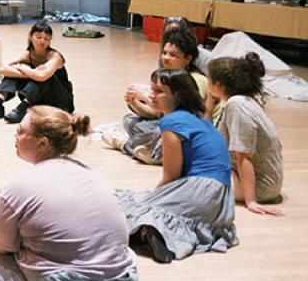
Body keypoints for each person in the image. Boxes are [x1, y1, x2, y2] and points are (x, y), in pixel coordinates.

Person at [0, 106, 139, 281]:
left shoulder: (17, 187)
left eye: (22, 131)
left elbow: (1, 246)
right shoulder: (96, 176)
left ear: (43, 143)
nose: (15, 133)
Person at [114, 70, 237, 263]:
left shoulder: (172, 122)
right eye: (152, 89)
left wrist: (153, 197)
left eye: (159, 91)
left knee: (128, 204)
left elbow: (171, 175)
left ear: (177, 95)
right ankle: (151, 231)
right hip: (221, 199)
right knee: (140, 203)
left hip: (200, 188)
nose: (152, 95)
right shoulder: (198, 119)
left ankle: (150, 229)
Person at [107, 27, 206, 164]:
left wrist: (146, 97)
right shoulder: (166, 76)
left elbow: (175, 116)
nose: (166, 58)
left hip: (185, 129)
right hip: (168, 122)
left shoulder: (193, 80)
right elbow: (157, 114)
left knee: (158, 132)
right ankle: (146, 146)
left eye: (173, 55)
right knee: (130, 120)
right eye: (164, 53)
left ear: (188, 59)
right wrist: (134, 102)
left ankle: (131, 145)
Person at [208, 53, 284, 215]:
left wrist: (251, 201)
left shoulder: (237, 105)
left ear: (219, 84)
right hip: (246, 176)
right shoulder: (244, 100)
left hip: (259, 186)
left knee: (192, 178)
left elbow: (244, 154)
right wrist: (209, 106)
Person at [0, 21, 74, 124]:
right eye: (39, 37)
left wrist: (25, 69)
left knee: (46, 77)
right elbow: (3, 69)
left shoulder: (55, 56)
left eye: (46, 38)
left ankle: (22, 109)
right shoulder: (28, 54)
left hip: (61, 100)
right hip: (39, 96)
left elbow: (43, 76)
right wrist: (30, 73)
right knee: (13, 74)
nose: (42, 41)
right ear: (31, 37)